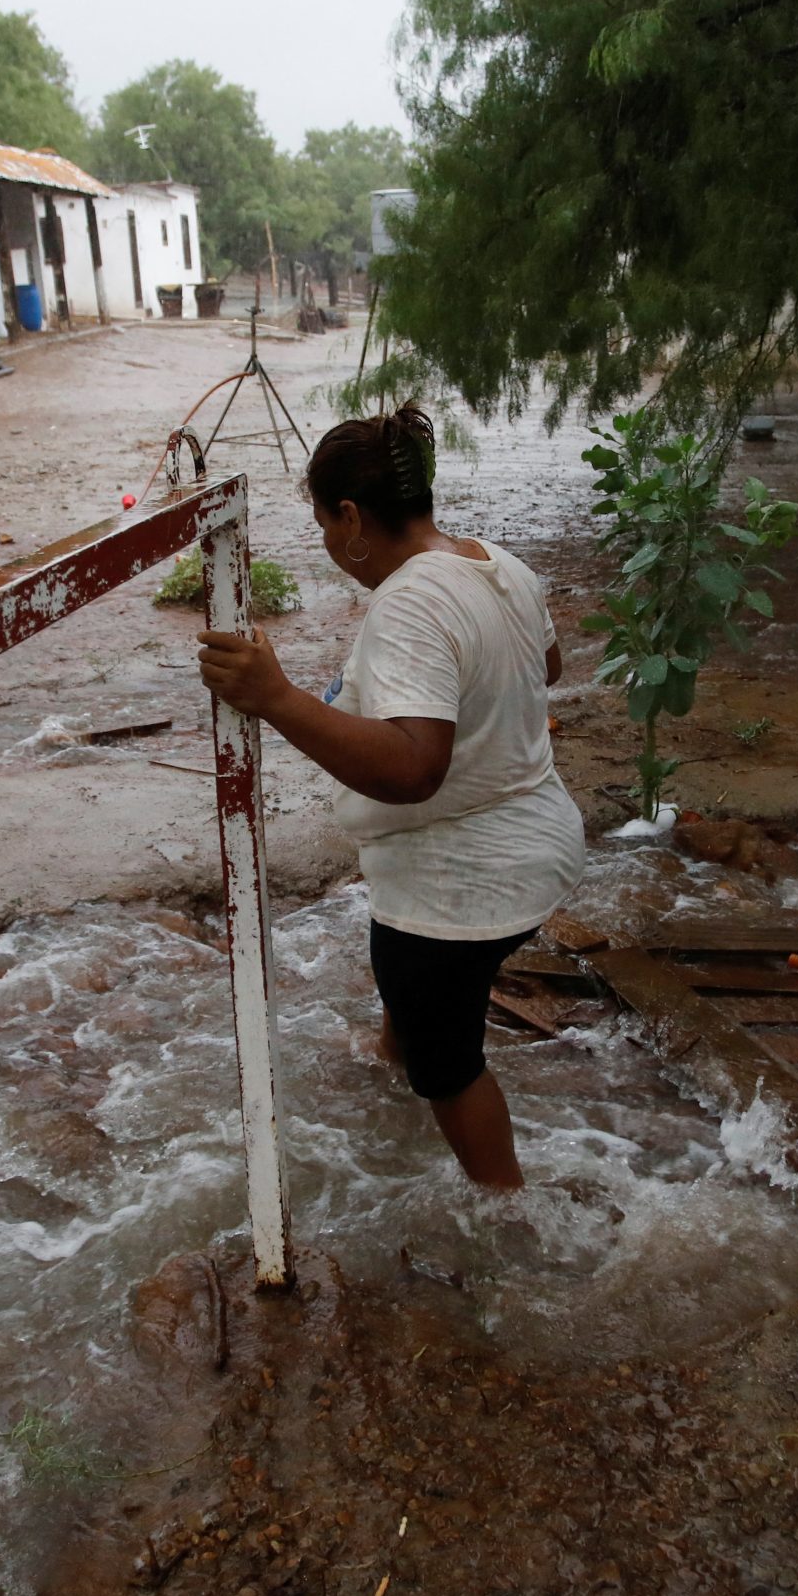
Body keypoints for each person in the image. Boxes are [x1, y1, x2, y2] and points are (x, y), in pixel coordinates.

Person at [196, 404, 585, 1189]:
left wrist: (278, 698)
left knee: (448, 1066)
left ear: (349, 516)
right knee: (415, 996)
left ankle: (507, 1211)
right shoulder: (497, 563)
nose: (331, 549)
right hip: (540, 841)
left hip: (465, 882)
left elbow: (414, 770)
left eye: (323, 527)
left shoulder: (409, 599)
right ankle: (390, 1058)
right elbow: (550, 664)